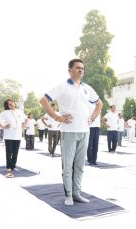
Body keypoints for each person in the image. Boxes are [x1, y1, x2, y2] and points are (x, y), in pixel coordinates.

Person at [39, 58, 102, 206]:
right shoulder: (62, 86)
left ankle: (76, 193)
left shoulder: (87, 88)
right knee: (68, 165)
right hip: (69, 131)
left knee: (80, 165)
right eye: (77, 68)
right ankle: (68, 195)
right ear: (70, 70)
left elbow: (99, 104)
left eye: (82, 68)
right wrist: (57, 117)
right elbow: (43, 100)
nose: (81, 70)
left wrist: (93, 117)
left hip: (84, 131)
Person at [0, 99, 27, 178]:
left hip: (18, 135)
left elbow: (26, 119)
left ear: (14, 103)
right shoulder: (6, 113)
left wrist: (23, 125)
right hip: (8, 136)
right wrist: (2, 126)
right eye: (9, 104)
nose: (11, 105)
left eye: (12, 103)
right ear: (7, 106)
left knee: (15, 152)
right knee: (9, 152)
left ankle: (13, 166)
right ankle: (9, 168)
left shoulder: (19, 111)